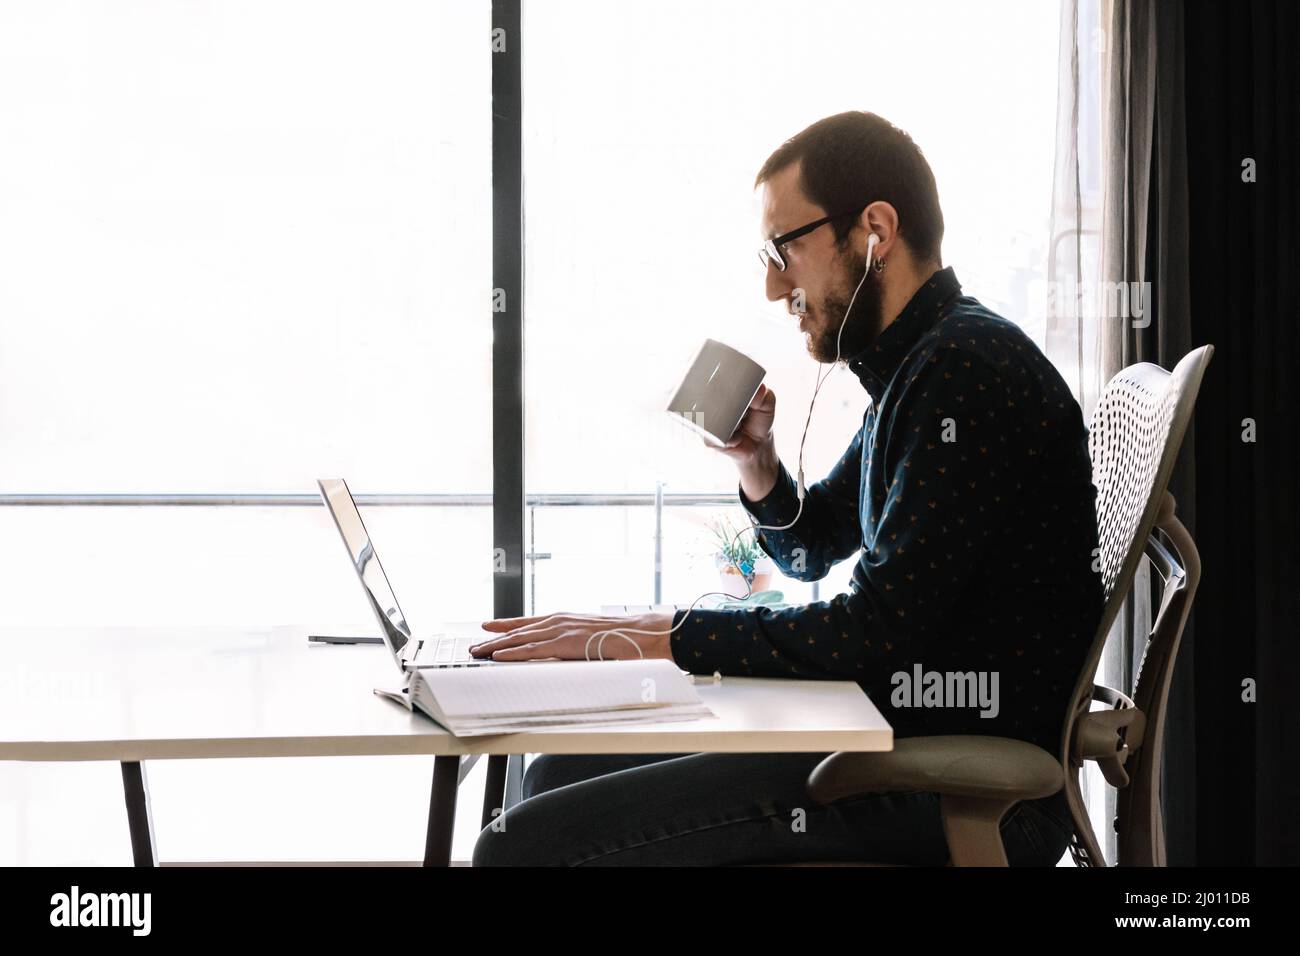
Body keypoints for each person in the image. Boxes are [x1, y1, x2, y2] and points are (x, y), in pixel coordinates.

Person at [470, 111, 1103, 866]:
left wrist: (661, 635)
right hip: (901, 744)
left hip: (958, 785)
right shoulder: (920, 371)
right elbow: (813, 543)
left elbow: (872, 637)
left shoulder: (963, 371)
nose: (774, 287)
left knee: (524, 847)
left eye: (784, 250)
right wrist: (757, 461)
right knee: (548, 773)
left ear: (874, 231)